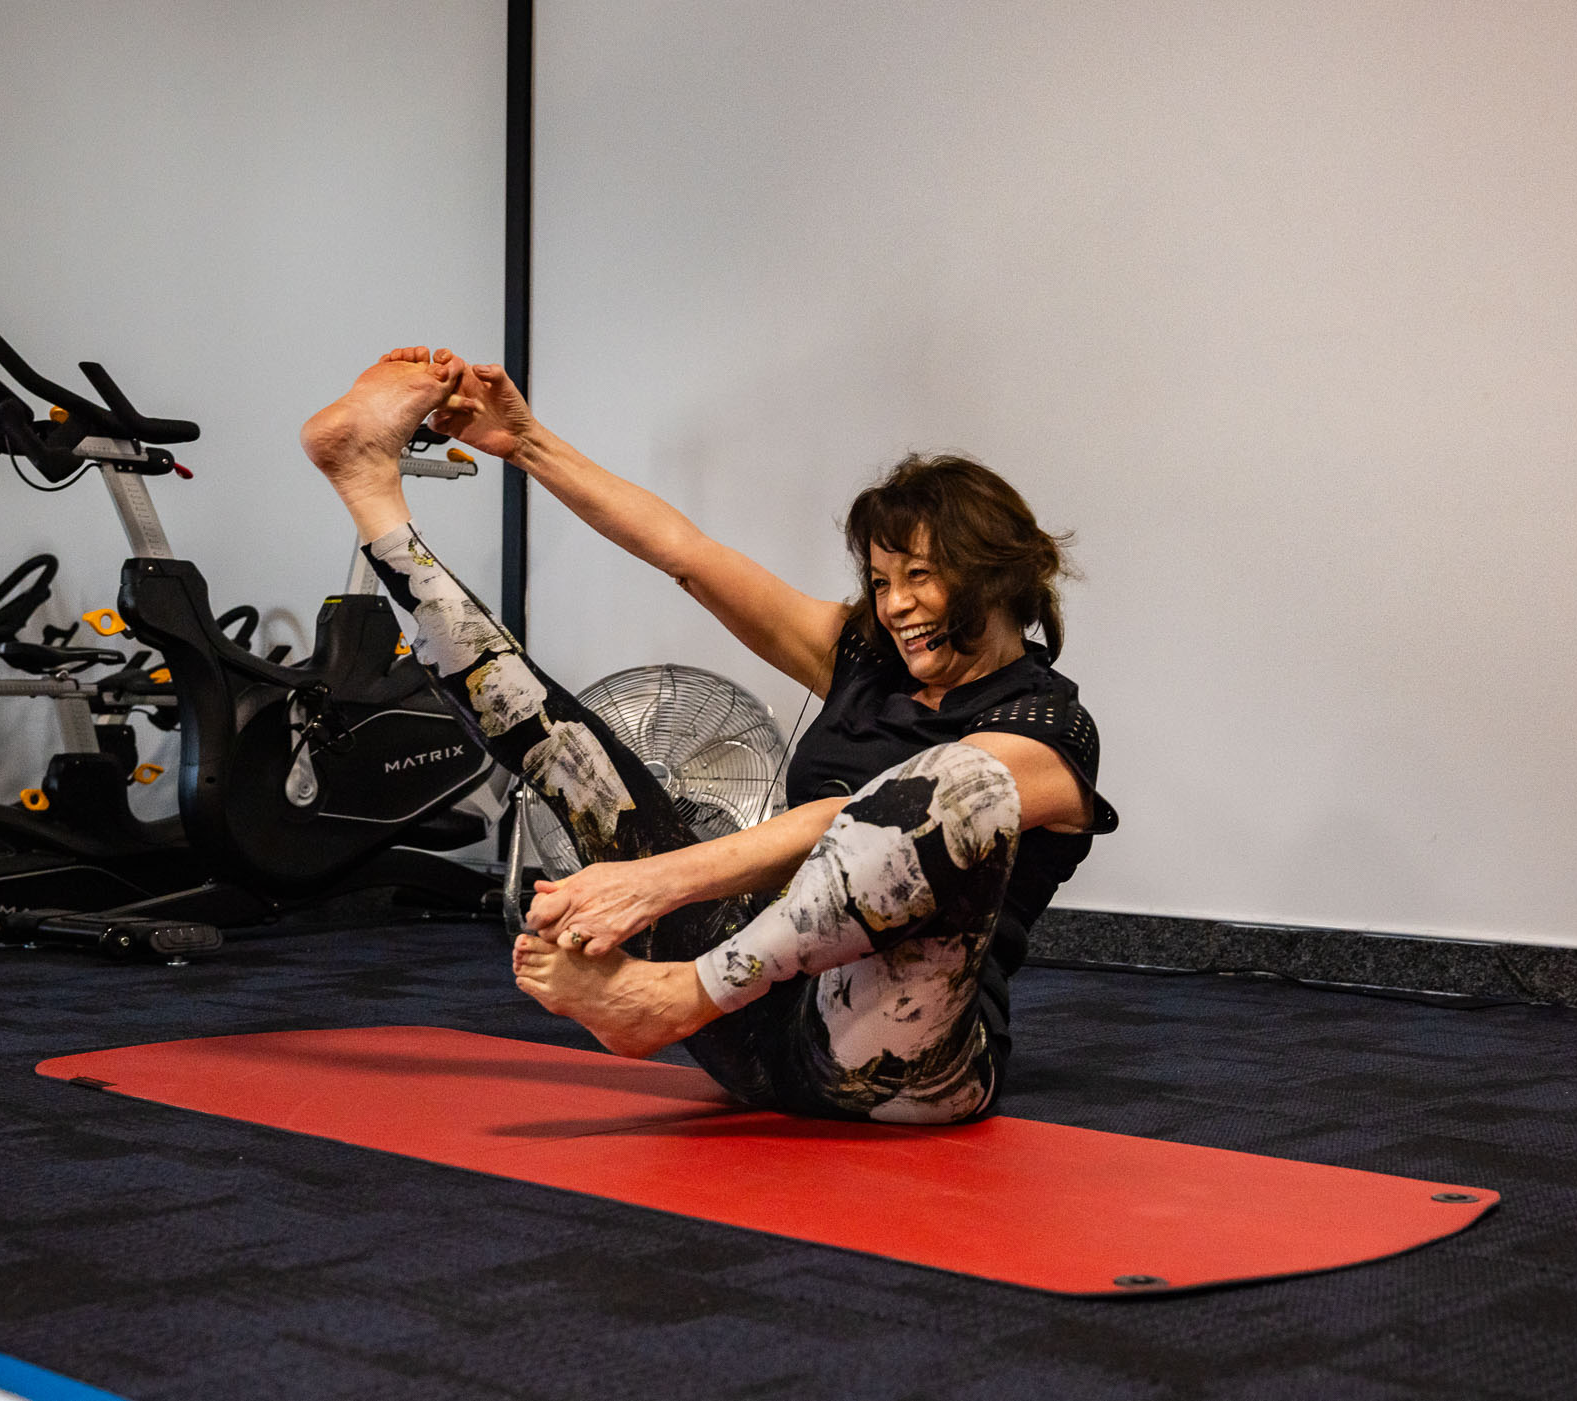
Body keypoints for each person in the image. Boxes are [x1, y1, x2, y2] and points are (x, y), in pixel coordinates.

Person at [300, 347, 1105, 1125]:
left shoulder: (1047, 727)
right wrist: (526, 441)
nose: (894, 606)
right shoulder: (866, 658)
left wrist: (653, 883)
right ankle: (368, 489)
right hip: (752, 1030)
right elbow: (685, 554)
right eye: (881, 581)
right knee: (574, 747)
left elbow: (854, 821)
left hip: (896, 1061)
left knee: (953, 785)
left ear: (996, 571)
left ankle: (676, 996)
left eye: (919, 577)